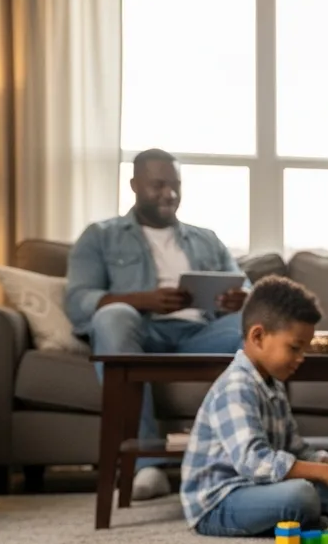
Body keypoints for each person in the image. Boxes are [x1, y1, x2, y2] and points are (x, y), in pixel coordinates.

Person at [65, 148, 249, 501]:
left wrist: (236, 299)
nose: (170, 194)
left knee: (257, 323)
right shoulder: (101, 236)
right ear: (134, 185)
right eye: (159, 185)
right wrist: (143, 300)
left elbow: (247, 289)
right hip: (140, 332)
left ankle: (249, 457)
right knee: (113, 315)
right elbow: (79, 300)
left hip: (200, 334)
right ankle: (145, 465)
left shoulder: (206, 239)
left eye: (176, 185)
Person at [180, 277, 328, 537]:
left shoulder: (273, 385)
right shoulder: (236, 386)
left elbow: (296, 449)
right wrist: (325, 472)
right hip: (219, 502)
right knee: (301, 495)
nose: (301, 359)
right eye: (294, 348)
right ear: (258, 336)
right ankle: (313, 517)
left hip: (257, 488)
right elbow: (254, 462)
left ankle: (314, 516)